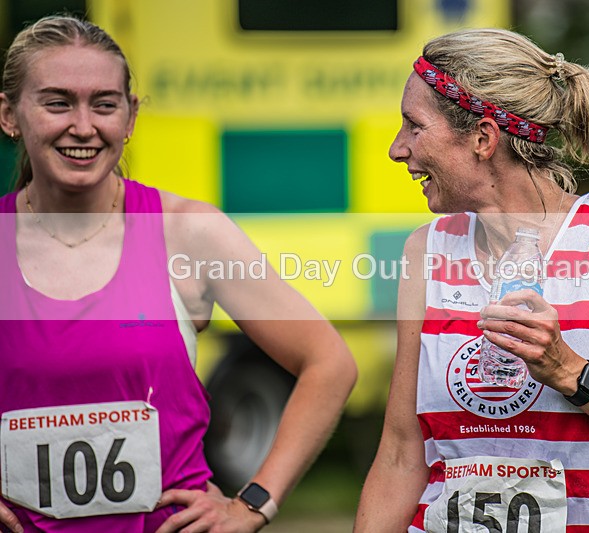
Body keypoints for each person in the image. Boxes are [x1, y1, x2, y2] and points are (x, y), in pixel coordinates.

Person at [354, 28, 589, 532]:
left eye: (414, 127)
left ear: (483, 139)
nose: (397, 150)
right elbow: (402, 454)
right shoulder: (427, 249)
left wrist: (569, 372)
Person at [0, 15, 356, 533]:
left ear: (131, 117)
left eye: (104, 104)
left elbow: (328, 363)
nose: (83, 126)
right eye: (57, 103)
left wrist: (254, 504)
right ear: (9, 115)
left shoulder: (187, 232)